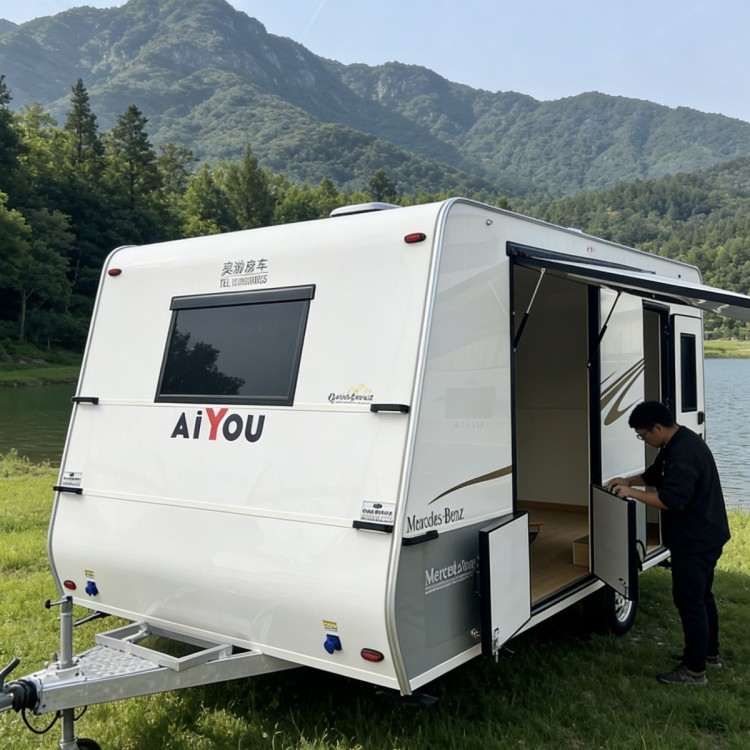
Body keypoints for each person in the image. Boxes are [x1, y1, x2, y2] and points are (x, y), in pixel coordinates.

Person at [608, 400, 730, 686]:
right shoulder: (676, 442)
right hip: (706, 534)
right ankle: (709, 654)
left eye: (643, 435)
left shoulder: (685, 452)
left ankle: (694, 671)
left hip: (696, 540)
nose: (644, 440)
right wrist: (629, 480)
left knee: (690, 601)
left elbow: (672, 500)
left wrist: (631, 493)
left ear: (657, 428)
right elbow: (655, 475)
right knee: (702, 596)